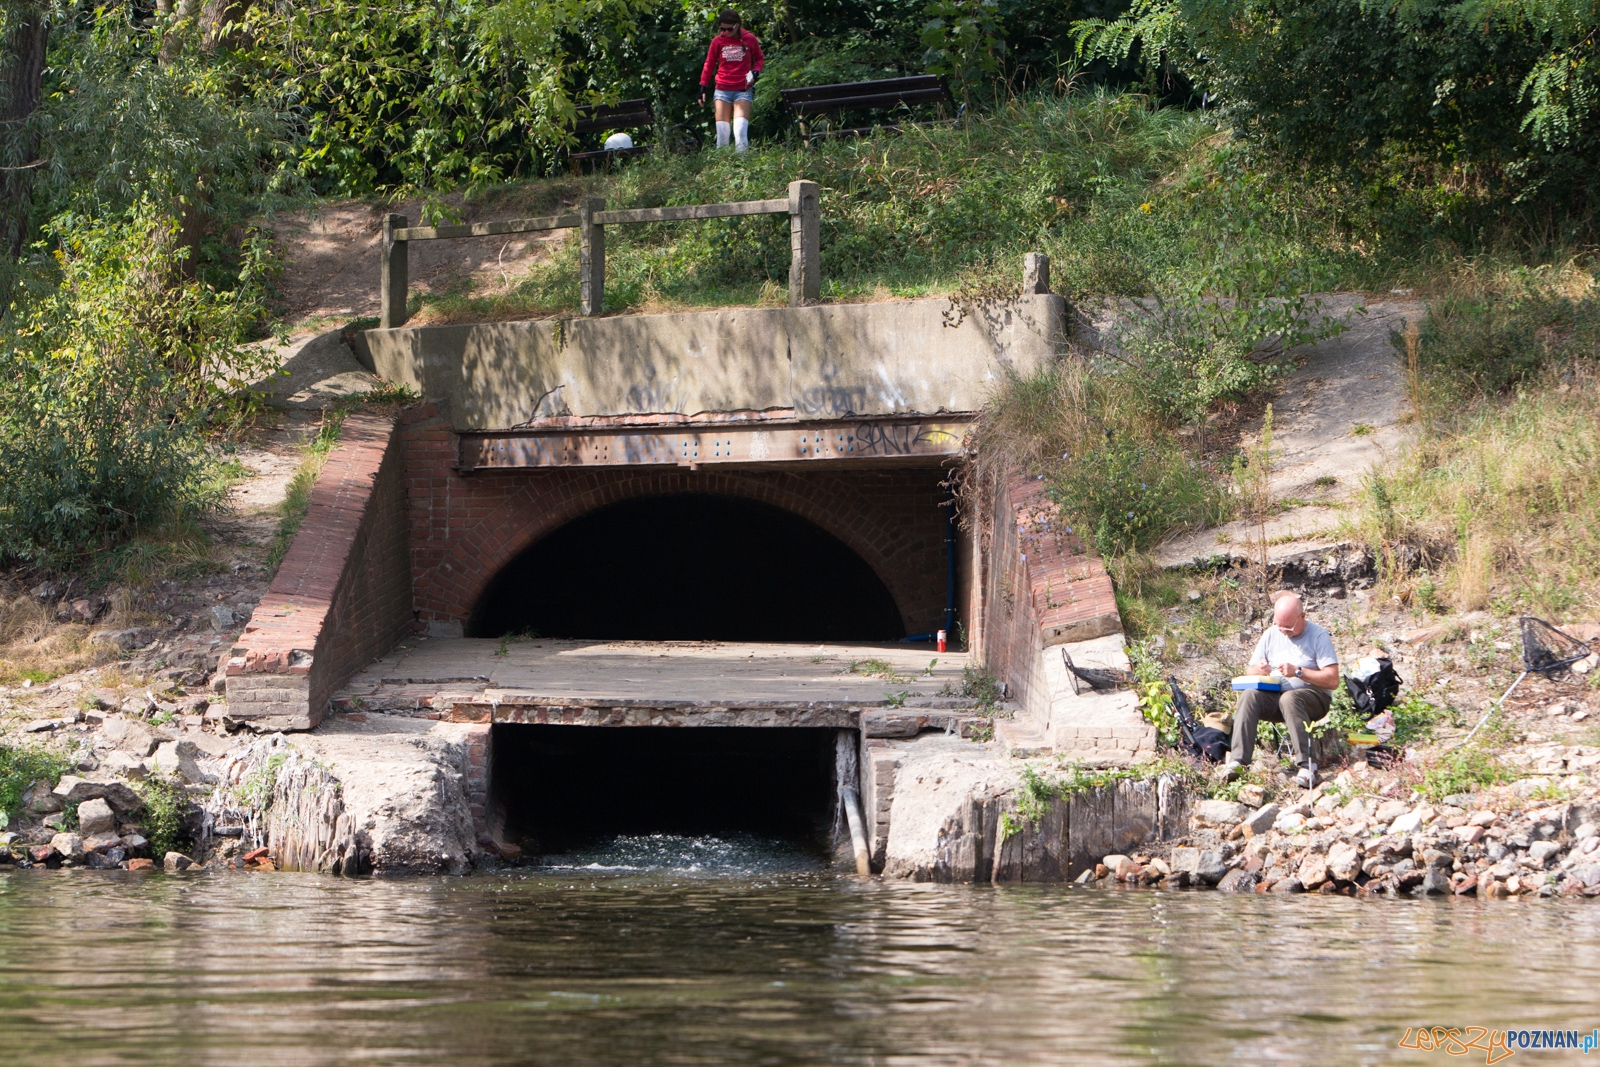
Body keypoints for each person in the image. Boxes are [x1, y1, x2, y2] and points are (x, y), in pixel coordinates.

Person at [1221, 592, 1340, 789]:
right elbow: (1250, 670)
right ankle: (1238, 762)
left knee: (1290, 698)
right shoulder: (1270, 634)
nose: (1284, 631)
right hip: (1276, 696)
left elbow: (1332, 679)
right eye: (1279, 626)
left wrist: (1299, 672)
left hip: (1313, 698)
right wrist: (1260, 670)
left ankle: (1307, 766)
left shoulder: (1318, 636)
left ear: (1303, 617)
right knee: (1249, 696)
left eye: (1289, 628)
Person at [698, 9, 763, 152]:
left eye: (729, 29)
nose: (726, 32)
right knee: (722, 134)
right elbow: (709, 64)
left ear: (738, 25)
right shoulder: (717, 41)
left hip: (743, 90)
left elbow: (759, 58)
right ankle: (723, 170)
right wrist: (703, 86)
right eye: (722, 29)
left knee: (739, 131)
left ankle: (743, 169)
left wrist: (756, 71)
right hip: (722, 90)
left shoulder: (749, 39)